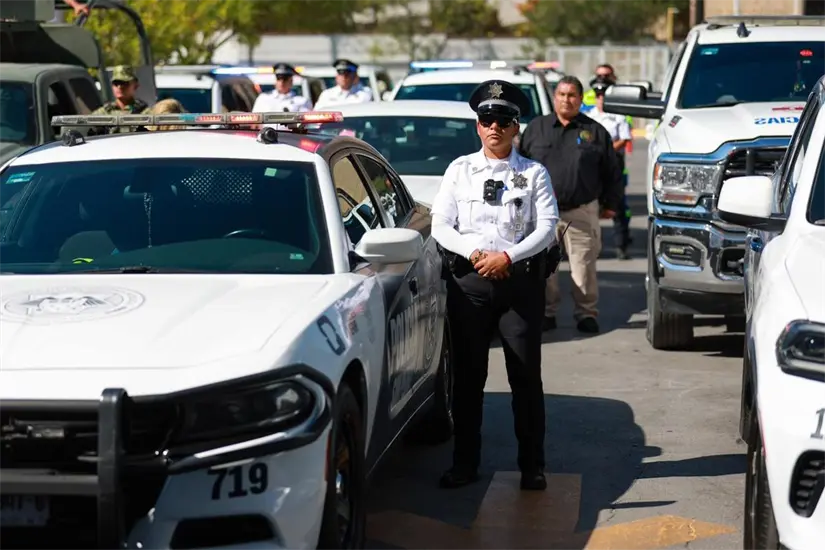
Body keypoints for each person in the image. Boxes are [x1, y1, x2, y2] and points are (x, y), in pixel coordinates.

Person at [430, 79, 559, 492]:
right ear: (478, 126)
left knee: (525, 378)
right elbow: (440, 226)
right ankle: (465, 464)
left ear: (516, 126)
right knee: (468, 380)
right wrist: (475, 254)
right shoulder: (459, 170)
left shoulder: (533, 173)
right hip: (470, 286)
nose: (495, 127)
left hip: (519, 288)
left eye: (503, 119)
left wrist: (509, 257)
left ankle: (532, 466)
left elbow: (548, 228)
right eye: (487, 119)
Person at [518, 75, 623, 334]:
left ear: (580, 99)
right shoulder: (536, 128)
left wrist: (611, 203)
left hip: (581, 210)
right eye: (562, 95)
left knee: (583, 266)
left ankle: (586, 313)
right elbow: (520, 167)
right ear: (555, 98)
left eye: (572, 95)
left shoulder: (595, 131)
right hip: (542, 213)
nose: (567, 100)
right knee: (544, 268)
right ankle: (547, 312)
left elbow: (612, 170)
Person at [587, 78, 633, 260]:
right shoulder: (589, 117)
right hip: (594, 166)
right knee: (591, 206)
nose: (601, 99)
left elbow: (624, 138)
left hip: (614, 164)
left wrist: (605, 149)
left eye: (604, 95)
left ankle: (622, 245)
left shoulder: (618, 116)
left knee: (617, 205)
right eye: (598, 96)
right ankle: (593, 246)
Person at [90, 65, 149, 134]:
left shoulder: (145, 113)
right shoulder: (103, 113)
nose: (120, 87)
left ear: (135, 86)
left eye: (124, 83)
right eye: (116, 83)